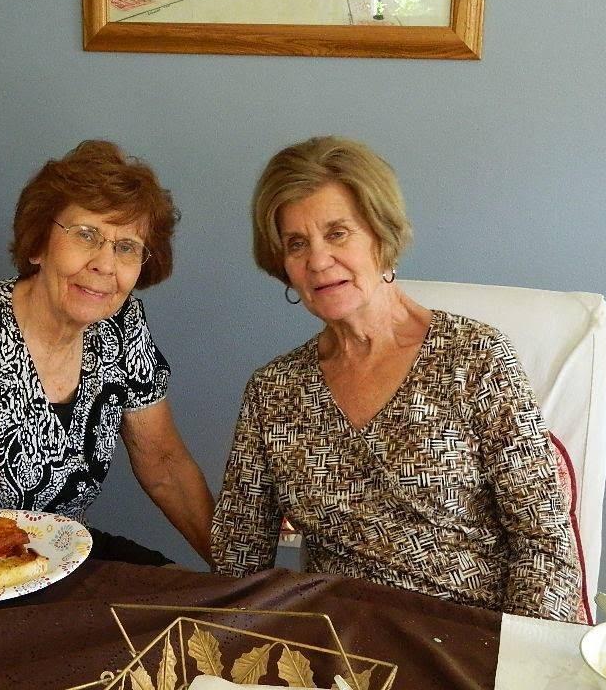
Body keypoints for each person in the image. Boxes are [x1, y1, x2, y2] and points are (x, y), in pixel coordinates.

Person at [210, 135, 581, 620]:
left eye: (338, 233)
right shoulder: (274, 391)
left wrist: (519, 663)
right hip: (334, 642)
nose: (318, 260)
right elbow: (239, 557)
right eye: (296, 244)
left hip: (467, 636)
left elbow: (545, 547)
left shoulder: (475, 359)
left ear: (381, 237)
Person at [0, 140, 213, 565]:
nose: (104, 264)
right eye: (85, 235)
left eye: (126, 247)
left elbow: (165, 463)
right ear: (38, 244)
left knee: (183, 602)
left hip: (60, 553)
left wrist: (239, 573)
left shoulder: (122, 323)